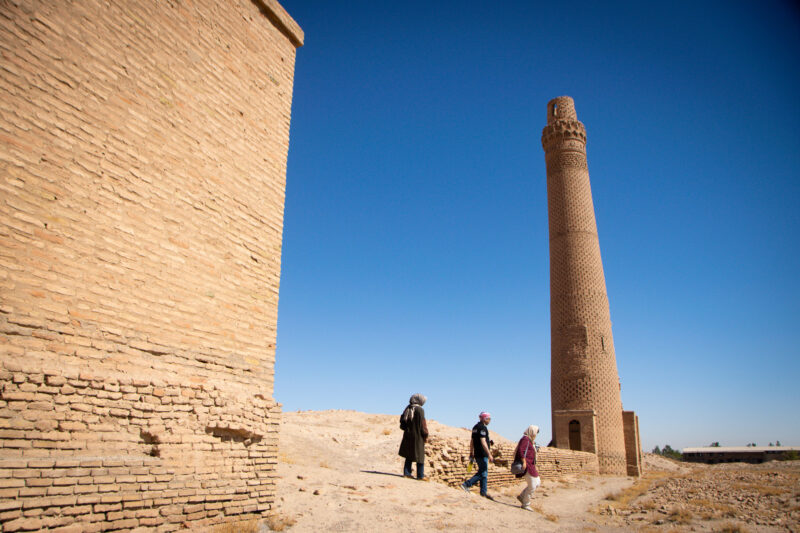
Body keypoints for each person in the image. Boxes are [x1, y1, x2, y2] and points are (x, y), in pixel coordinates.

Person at [460, 412, 495, 500]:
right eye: (488, 419)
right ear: (484, 419)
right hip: (482, 453)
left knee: (484, 473)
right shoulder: (482, 428)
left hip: (477, 453)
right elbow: (483, 442)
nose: (489, 421)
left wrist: (471, 452)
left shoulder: (475, 427)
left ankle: (483, 492)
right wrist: (489, 454)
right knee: (482, 472)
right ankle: (467, 484)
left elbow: (472, 441)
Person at [398, 394, 428, 479]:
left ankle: (407, 473)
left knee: (409, 454)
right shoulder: (420, 410)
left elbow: (402, 423)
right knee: (420, 456)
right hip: (418, 436)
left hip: (408, 435)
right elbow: (423, 424)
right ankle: (420, 475)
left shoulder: (408, 408)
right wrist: (425, 435)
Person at [514, 425, 541, 511]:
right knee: (533, 485)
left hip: (531, 465)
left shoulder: (529, 440)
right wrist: (524, 462)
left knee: (537, 482)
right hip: (527, 465)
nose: (536, 434)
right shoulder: (525, 439)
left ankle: (522, 496)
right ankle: (526, 504)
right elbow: (521, 450)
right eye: (536, 432)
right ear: (532, 431)